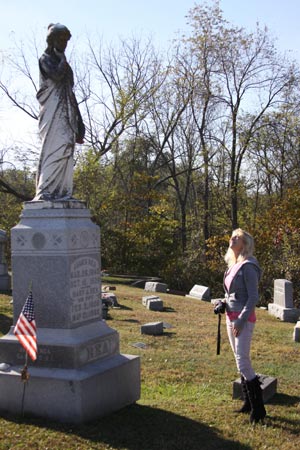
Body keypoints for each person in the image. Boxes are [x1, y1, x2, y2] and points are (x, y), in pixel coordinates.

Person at [214, 228, 266, 424]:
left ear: (245, 244)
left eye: (238, 237)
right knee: (239, 361)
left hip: (242, 320)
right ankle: (248, 403)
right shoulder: (233, 265)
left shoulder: (249, 266)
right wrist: (223, 303)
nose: (232, 238)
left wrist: (241, 319)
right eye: (233, 236)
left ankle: (259, 409)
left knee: (243, 361)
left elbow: (253, 297)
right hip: (230, 316)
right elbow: (233, 295)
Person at [34, 23, 85, 201]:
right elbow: (56, 75)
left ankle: (63, 191)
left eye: (66, 40)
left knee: (66, 148)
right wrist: (62, 58)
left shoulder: (65, 64)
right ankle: (46, 190)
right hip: (52, 111)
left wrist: (79, 121)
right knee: (54, 147)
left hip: (67, 111)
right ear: (52, 40)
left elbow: (70, 91)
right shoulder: (45, 59)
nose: (64, 43)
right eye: (61, 39)